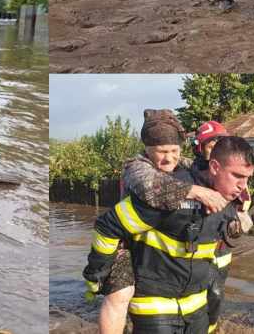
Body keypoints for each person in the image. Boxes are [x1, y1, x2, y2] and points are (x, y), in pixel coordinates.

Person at [84, 136, 254, 334]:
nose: (243, 186)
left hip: (196, 309)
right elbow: (108, 226)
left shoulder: (229, 202)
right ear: (215, 167)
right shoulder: (171, 193)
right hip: (155, 307)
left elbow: (218, 261)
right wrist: (96, 275)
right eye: (237, 176)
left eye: (247, 178)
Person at [97, 111, 228, 334]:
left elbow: (204, 170)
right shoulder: (135, 167)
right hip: (127, 243)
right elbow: (152, 188)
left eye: (174, 151)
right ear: (147, 150)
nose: (169, 158)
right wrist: (198, 192)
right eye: (162, 152)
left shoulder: (184, 164)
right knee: (119, 296)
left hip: (160, 249)